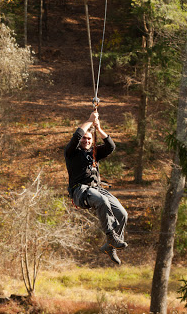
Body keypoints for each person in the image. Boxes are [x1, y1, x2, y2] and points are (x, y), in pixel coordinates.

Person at [64, 110, 128, 265]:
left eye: (89, 139)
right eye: (84, 138)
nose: (86, 140)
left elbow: (111, 146)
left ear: (92, 141)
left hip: (97, 189)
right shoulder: (71, 153)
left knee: (122, 214)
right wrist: (89, 120)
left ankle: (110, 246)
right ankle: (111, 235)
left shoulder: (94, 153)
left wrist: (98, 128)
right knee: (102, 201)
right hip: (80, 191)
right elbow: (77, 135)